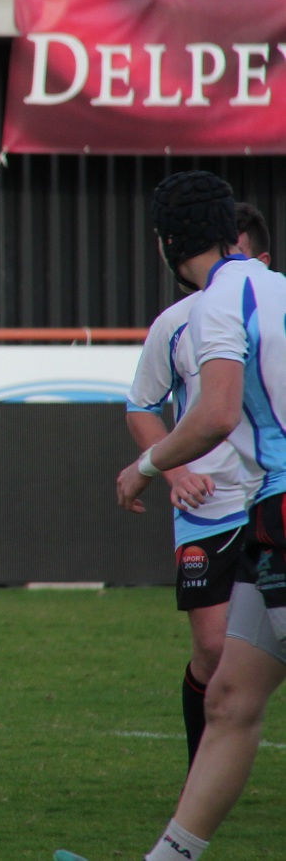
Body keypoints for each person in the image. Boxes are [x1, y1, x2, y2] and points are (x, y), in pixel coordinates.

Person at [57, 172, 286, 861]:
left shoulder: (214, 303)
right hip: (261, 514)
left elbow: (215, 412)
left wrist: (146, 465)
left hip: (280, 502)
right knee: (229, 700)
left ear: (166, 242)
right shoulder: (274, 287)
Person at [125, 206, 269, 771]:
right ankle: (199, 774)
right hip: (208, 506)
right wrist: (174, 470)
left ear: (259, 259)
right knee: (212, 650)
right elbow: (141, 405)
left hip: (268, 494)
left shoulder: (273, 309)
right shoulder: (178, 322)